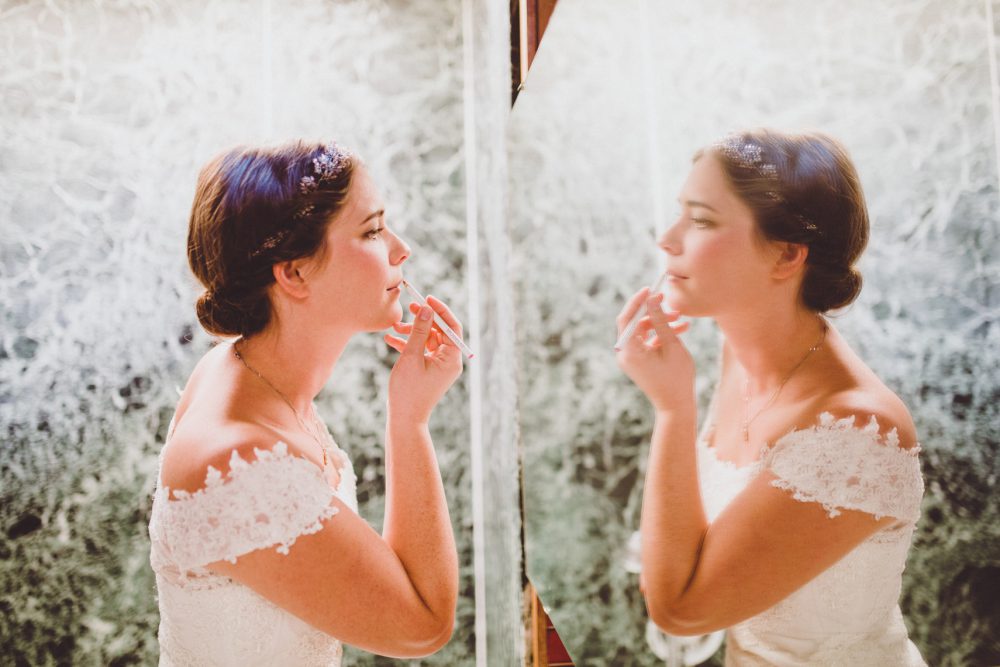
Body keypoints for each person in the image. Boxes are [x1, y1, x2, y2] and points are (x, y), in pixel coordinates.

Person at [616, 129, 926, 665]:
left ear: (785, 255)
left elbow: (681, 609)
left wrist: (672, 409)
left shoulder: (857, 433)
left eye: (702, 220)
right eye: (680, 213)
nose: (667, 239)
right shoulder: (740, 356)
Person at [147, 141, 463, 665]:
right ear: (293, 274)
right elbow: (424, 626)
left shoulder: (243, 366)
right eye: (372, 231)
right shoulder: (236, 466)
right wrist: (410, 422)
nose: (401, 249)